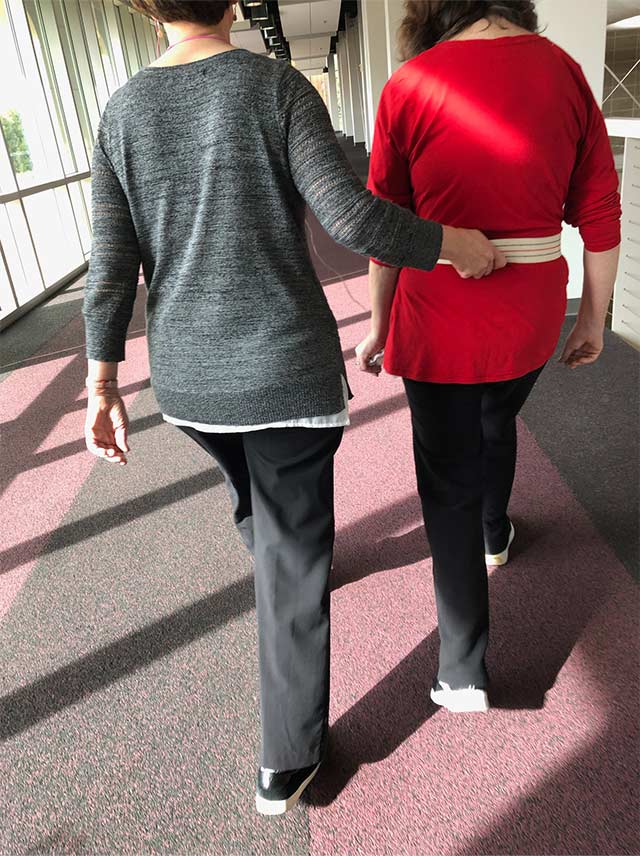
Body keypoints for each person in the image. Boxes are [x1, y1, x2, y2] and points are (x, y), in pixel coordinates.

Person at [82, 0, 501, 815]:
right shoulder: (275, 88)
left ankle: (273, 544)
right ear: (234, 4)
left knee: (255, 495)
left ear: (147, 11)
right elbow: (351, 216)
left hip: (192, 383)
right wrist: (456, 244)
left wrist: (102, 384)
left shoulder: (121, 111)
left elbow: (111, 261)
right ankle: (288, 756)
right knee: (292, 555)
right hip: (281, 370)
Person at [356, 0, 621, 714]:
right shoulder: (565, 73)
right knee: (497, 417)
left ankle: (463, 667)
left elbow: (386, 224)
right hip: (531, 315)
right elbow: (599, 211)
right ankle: (496, 532)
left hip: (438, 314)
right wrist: (593, 317)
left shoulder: (410, 84)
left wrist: (379, 322)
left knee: (446, 477)